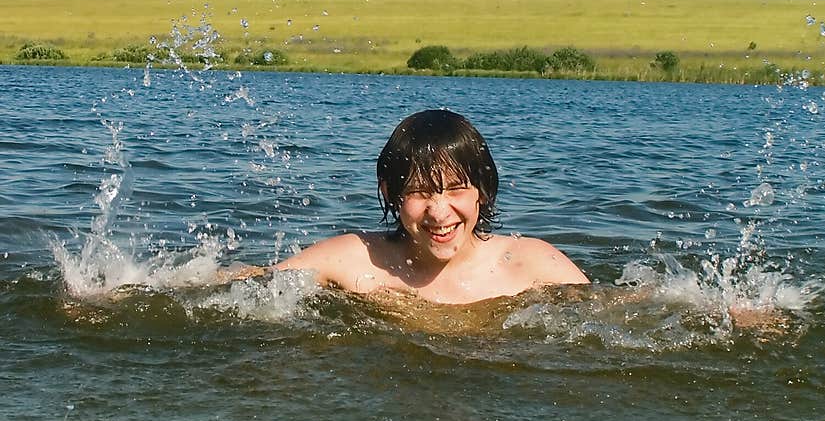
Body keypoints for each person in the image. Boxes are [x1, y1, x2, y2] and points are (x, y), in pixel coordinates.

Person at [229, 109, 589, 305]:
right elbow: (249, 283)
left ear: (482, 189)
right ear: (391, 193)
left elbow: (618, 310)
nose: (440, 211)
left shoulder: (533, 265)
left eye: (456, 190)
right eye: (420, 193)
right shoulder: (357, 260)